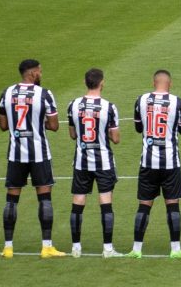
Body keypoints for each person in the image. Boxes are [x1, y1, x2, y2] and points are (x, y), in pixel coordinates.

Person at [0, 59, 64, 259]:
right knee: (44, 197)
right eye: (40, 71)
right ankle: (46, 247)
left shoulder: (7, 93)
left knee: (12, 199)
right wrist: (39, 123)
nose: (41, 74)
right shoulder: (44, 94)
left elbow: (2, 125)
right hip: (39, 154)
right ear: (33, 73)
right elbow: (54, 125)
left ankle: (8, 248)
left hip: (15, 154)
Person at [129, 69, 181, 259]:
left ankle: (136, 249)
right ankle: (175, 249)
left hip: (148, 162)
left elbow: (139, 127)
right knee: (172, 204)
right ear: (169, 84)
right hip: (170, 162)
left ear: (154, 82)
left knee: (144, 204)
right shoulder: (177, 102)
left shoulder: (141, 100)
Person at [66, 68, 121, 258]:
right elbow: (115, 138)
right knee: (105, 202)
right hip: (103, 162)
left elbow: (73, 134)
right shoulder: (108, 107)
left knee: (78, 202)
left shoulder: (73, 105)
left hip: (81, 162)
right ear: (102, 82)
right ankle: (107, 249)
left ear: (85, 82)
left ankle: (76, 248)